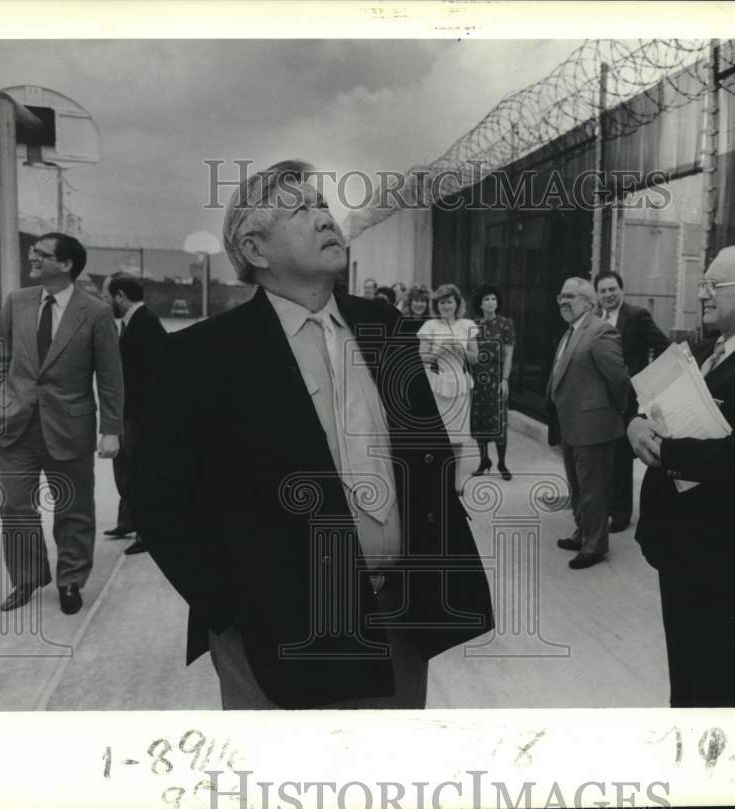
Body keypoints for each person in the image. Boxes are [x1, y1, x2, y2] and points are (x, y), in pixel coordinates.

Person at [132, 160, 493, 709]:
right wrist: (230, 607)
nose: (325, 218)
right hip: (276, 639)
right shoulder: (201, 356)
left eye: (323, 204)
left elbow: (426, 450)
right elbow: (159, 500)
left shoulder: (384, 326)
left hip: (395, 618)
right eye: (301, 210)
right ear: (256, 250)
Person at [627, 245, 735, 707]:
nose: (702, 293)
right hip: (678, 542)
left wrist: (663, 450)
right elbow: (646, 405)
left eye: (713, 285)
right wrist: (635, 425)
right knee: (685, 668)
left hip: (722, 550)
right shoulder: (701, 350)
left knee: (720, 673)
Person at [0, 233, 123, 615]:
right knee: (15, 507)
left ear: (65, 264)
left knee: (73, 508)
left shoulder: (95, 312)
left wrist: (110, 429)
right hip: (16, 426)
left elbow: (110, 377)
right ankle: (28, 577)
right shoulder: (16, 302)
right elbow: (1, 358)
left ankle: (70, 580)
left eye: (41, 254)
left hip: (70, 428)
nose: (32, 257)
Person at [546, 277, 631, 570]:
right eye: (561, 297)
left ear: (588, 301)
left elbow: (619, 378)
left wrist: (614, 411)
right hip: (570, 424)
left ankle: (595, 545)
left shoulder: (600, 331)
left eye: (570, 296)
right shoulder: (571, 331)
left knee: (593, 488)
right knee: (578, 486)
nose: (563, 302)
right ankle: (583, 532)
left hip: (594, 426)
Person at [593, 271, 670, 532]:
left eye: (612, 289)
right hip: (602, 400)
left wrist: (644, 380)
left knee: (622, 456)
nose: (607, 295)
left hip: (628, 399)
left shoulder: (636, 316)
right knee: (605, 455)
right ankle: (607, 505)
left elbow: (663, 346)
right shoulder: (596, 320)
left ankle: (621, 513)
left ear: (622, 290)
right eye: (602, 291)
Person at [103, 274, 167, 555]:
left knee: (138, 471)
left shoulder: (146, 323)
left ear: (120, 296)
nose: (106, 302)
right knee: (124, 467)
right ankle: (128, 521)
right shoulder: (133, 323)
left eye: (107, 296)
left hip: (139, 413)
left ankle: (147, 531)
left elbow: (155, 373)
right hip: (128, 411)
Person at [417, 283, 479, 492]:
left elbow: (476, 357)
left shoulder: (467, 325)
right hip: (438, 384)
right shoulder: (430, 326)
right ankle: (436, 478)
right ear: (437, 305)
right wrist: (439, 350)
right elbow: (421, 357)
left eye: (449, 302)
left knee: (458, 436)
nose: (446, 306)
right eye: (442, 303)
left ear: (457, 303)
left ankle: (456, 479)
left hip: (460, 384)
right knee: (438, 435)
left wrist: (462, 352)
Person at [469, 284, 516, 481]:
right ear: (480, 303)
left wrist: (505, 380)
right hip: (478, 377)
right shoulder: (473, 325)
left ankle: (502, 462)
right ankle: (484, 460)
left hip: (496, 376)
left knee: (499, 420)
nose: (491, 302)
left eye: (494, 299)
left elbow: (509, 353)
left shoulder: (506, 324)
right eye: (487, 299)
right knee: (480, 419)